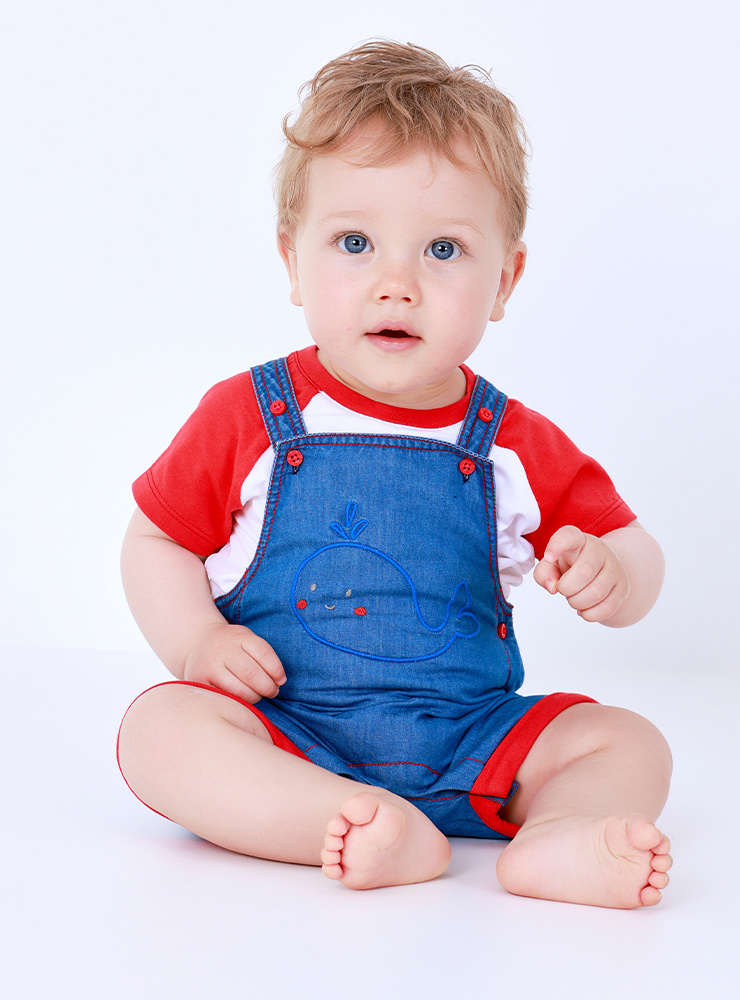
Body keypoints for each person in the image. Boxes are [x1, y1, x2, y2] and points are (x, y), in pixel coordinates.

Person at [117, 40, 672, 909]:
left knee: (627, 741)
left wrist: (616, 572)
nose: (396, 284)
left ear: (505, 278)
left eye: (444, 251)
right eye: (354, 242)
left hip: (472, 741)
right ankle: (342, 817)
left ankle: (558, 838)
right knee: (161, 729)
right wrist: (195, 642)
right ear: (291, 261)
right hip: (287, 734)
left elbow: (632, 547)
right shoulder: (251, 415)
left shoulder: (511, 441)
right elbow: (156, 537)